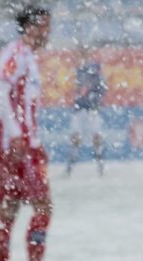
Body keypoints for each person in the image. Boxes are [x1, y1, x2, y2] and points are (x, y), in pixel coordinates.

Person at [0, 6, 64, 261]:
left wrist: (34, 139)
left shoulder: (29, 58)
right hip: (15, 146)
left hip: (23, 144)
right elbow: (0, 92)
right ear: (30, 27)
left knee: (13, 209)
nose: (48, 32)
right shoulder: (15, 53)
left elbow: (25, 106)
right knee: (37, 208)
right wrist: (16, 135)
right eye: (44, 26)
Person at [67, 45, 106, 176]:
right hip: (79, 110)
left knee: (96, 137)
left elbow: (101, 88)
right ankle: (70, 167)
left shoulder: (93, 70)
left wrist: (95, 99)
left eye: (82, 53)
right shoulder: (76, 71)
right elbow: (74, 90)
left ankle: (100, 167)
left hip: (91, 110)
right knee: (76, 138)